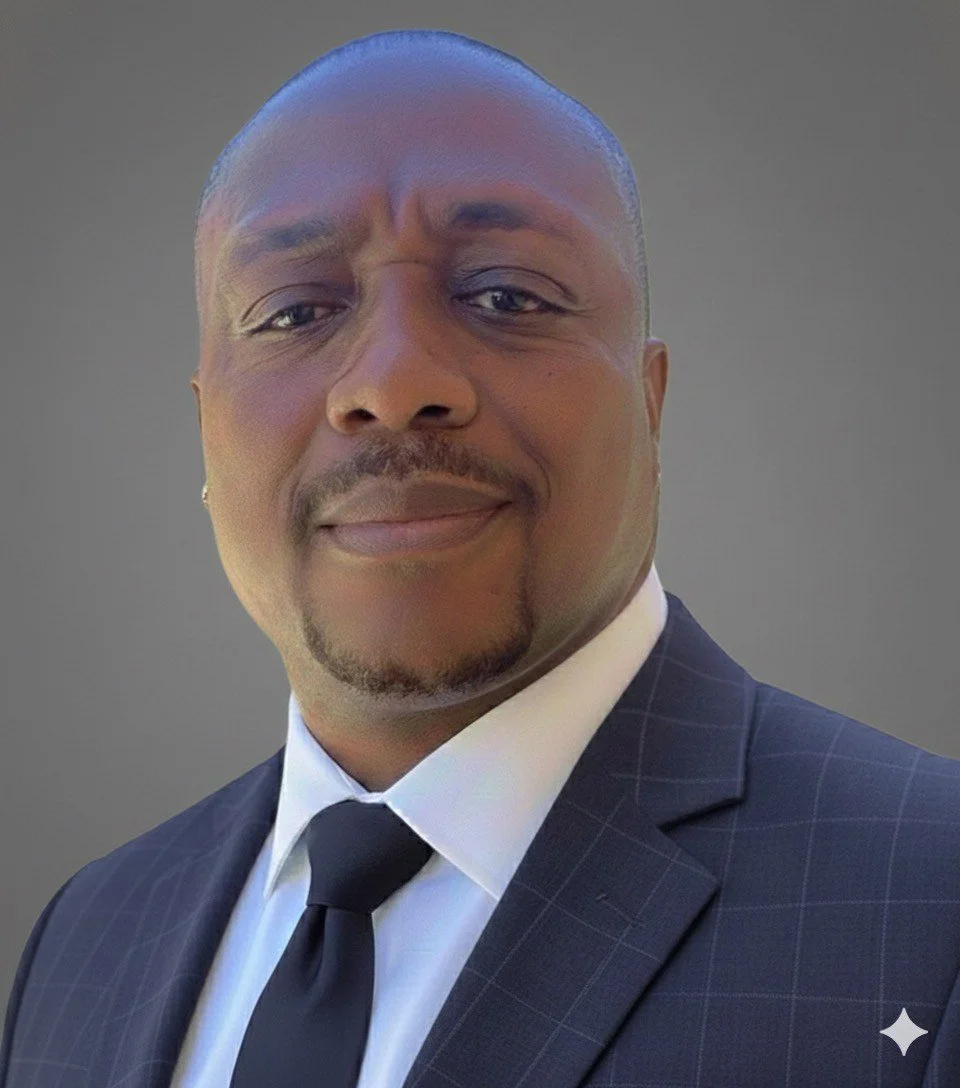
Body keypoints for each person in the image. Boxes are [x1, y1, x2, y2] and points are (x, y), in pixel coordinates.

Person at [2, 27, 959, 1088]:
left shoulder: (931, 908)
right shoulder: (83, 940)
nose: (394, 378)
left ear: (651, 402)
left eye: (507, 295)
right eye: (295, 310)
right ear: (204, 435)